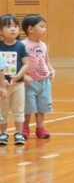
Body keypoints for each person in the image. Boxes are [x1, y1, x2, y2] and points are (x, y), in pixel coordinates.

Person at [22, 14, 55, 139]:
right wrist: (23, 76)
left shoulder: (44, 45)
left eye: (45, 27)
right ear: (30, 29)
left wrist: (51, 70)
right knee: (28, 107)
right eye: (41, 26)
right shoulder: (23, 45)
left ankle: (40, 127)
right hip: (29, 82)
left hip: (44, 81)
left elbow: (46, 61)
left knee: (42, 106)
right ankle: (25, 127)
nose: (44, 29)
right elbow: (19, 63)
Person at [0, 14, 30, 146]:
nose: (13, 29)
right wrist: (2, 83)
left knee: (19, 109)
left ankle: (19, 133)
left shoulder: (20, 46)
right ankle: (3, 133)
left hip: (18, 84)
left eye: (15, 26)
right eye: (8, 26)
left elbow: (26, 63)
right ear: (1, 31)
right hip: (2, 85)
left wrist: (18, 76)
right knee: (2, 110)